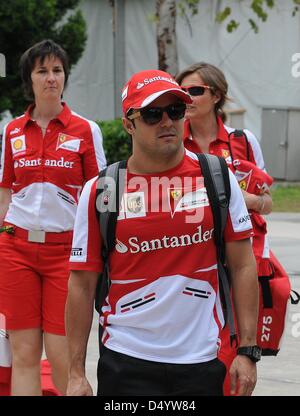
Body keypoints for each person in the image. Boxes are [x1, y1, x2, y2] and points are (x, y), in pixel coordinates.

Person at [66, 69, 260, 397]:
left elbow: (243, 265)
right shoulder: (102, 190)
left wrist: (248, 350)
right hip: (125, 359)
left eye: (175, 111)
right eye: (153, 114)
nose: (167, 122)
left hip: (201, 359)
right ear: (129, 123)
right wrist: (74, 373)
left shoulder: (218, 177)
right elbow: (81, 285)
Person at [0, 39, 106, 396]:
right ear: (29, 79)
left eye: (57, 70)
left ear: (65, 77)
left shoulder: (86, 130)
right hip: (16, 252)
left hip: (66, 256)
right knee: (24, 355)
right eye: (42, 71)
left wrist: (103, 254)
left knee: (64, 359)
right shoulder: (11, 130)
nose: (50, 78)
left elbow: (100, 198)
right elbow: (4, 192)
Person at [175, 62, 273, 395]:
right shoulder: (172, 140)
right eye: (182, 91)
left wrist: (243, 198)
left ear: (216, 95)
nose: (187, 97)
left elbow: (268, 201)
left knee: (234, 355)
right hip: (190, 262)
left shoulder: (242, 141)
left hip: (235, 262)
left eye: (196, 90)